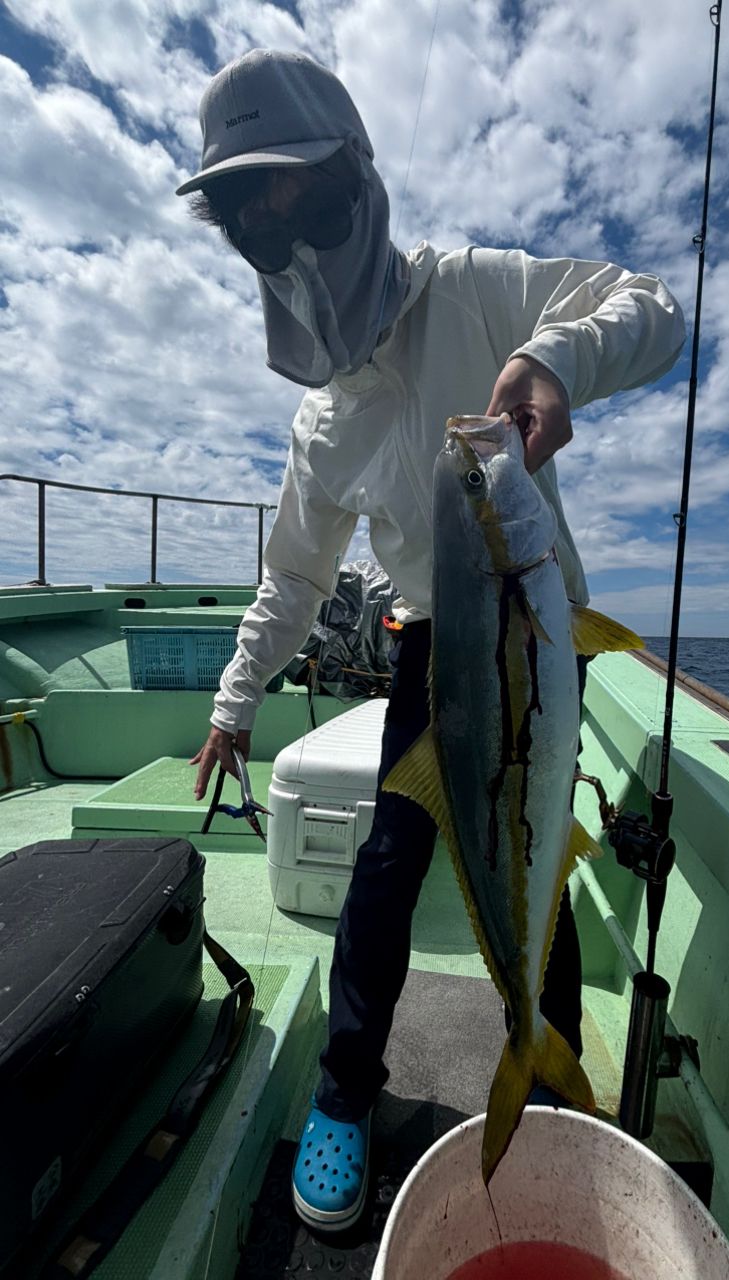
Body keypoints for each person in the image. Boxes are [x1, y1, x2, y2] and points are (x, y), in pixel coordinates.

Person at [178, 48, 685, 1232]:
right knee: (389, 862)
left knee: (542, 844)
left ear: (362, 181)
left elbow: (652, 305)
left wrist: (556, 359)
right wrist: (232, 700)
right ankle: (346, 1091)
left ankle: (550, 1069)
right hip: (430, 650)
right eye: (260, 227)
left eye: (314, 206)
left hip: (540, 630)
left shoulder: (474, 291)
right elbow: (295, 576)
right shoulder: (322, 425)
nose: (295, 245)